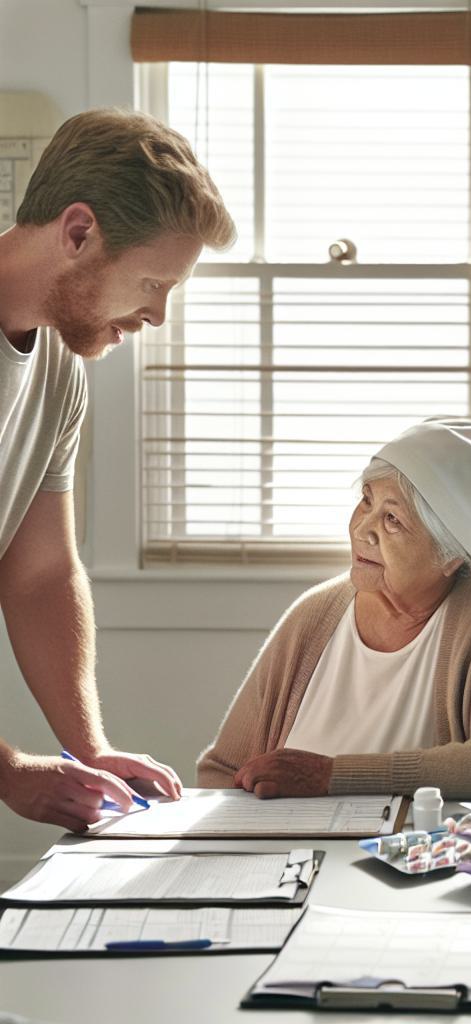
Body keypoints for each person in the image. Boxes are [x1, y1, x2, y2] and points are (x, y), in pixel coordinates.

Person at [0, 108, 236, 831]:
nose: (158, 315)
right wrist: (8, 772)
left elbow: (40, 573)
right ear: (78, 233)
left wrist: (88, 746)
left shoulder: (59, 375)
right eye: (154, 283)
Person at [198, 419, 471, 800]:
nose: (361, 529)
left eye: (392, 519)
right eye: (366, 500)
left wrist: (333, 775)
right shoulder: (315, 615)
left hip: (410, 857)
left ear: (450, 556)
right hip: (285, 855)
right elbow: (222, 772)